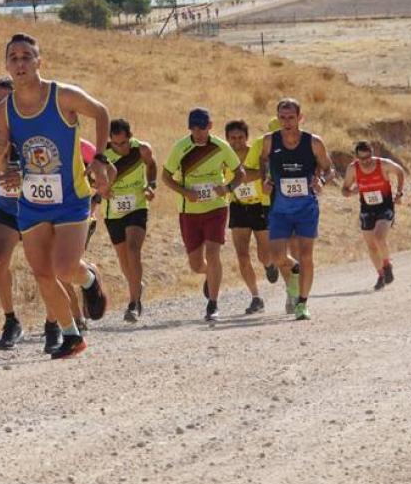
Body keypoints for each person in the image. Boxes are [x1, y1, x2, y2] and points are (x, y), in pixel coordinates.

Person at [0, 33, 113, 359]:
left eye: (26, 56)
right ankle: (72, 336)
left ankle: (88, 278)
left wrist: (100, 159)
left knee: (64, 268)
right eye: (13, 57)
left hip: (71, 197)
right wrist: (3, 162)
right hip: (32, 199)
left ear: (38, 62)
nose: (20, 63)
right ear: (6, 64)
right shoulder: (5, 110)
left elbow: (101, 112)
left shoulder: (62, 96)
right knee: (43, 273)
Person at [0, 77, 44, 352]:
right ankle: (11, 321)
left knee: (46, 268)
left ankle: (56, 321)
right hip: (4, 208)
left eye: (6, 99)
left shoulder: (35, 125)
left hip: (38, 207)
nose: (0, 105)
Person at [163, 108, 244, 323]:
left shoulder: (221, 146)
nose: (198, 133)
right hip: (189, 211)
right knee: (196, 265)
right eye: (194, 128)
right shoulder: (181, 147)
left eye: (202, 128)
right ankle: (210, 274)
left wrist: (227, 188)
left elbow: (240, 173)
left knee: (213, 253)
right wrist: (185, 192)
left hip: (216, 208)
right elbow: (165, 176)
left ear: (210, 126)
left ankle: (213, 304)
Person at [261, 98, 333, 321]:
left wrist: (322, 181)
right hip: (279, 208)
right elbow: (263, 162)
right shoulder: (269, 141)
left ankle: (302, 303)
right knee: (276, 256)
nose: (286, 122)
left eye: (291, 117)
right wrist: (266, 179)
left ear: (300, 118)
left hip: (306, 208)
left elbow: (329, 169)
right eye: (282, 118)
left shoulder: (313, 142)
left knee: (306, 255)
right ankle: (296, 273)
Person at [225, 120, 290, 315]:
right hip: (238, 205)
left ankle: (269, 265)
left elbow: (259, 174)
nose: (237, 141)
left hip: (260, 206)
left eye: (240, 137)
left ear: (247, 137)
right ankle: (255, 297)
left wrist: (240, 177)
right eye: (232, 138)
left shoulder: (256, 152)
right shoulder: (223, 157)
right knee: (242, 255)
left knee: (264, 254)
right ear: (227, 139)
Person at [100, 120, 157, 323]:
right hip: (113, 211)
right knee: (124, 259)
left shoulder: (142, 149)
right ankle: (137, 286)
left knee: (134, 250)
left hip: (137, 206)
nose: (121, 148)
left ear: (130, 137)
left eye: (124, 143)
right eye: (116, 144)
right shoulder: (103, 155)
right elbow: (90, 178)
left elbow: (151, 165)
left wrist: (151, 185)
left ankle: (133, 303)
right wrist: (101, 189)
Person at [339, 141, 405, 291]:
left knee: (379, 237)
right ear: (356, 157)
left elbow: (400, 171)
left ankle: (387, 264)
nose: (366, 161)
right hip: (367, 209)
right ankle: (381, 275)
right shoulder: (352, 169)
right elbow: (344, 189)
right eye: (362, 158)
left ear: (372, 153)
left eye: (368, 157)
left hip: (385, 206)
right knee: (371, 246)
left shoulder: (383, 164)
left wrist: (399, 193)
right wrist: (350, 192)